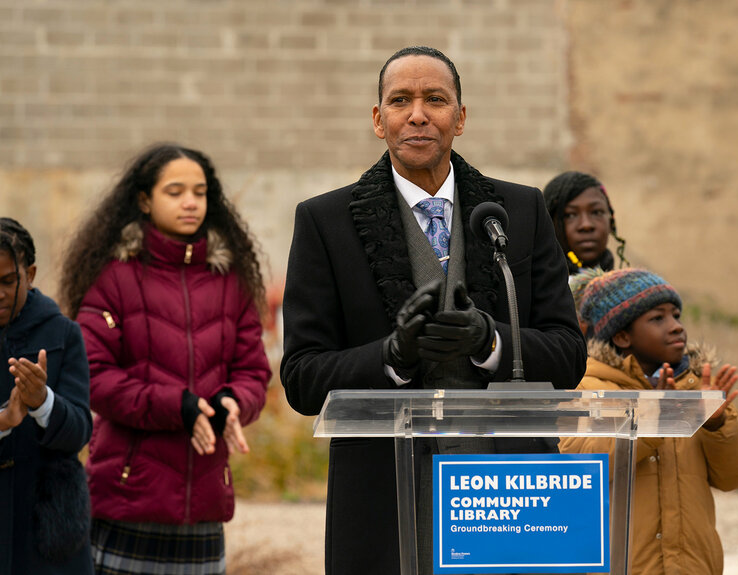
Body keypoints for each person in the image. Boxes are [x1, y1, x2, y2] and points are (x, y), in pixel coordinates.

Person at [281, 46, 585, 575]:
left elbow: (567, 355)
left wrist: (491, 343)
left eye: (435, 99)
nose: (417, 114)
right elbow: (302, 378)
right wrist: (392, 356)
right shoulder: (324, 223)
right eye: (400, 100)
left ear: (460, 118)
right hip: (386, 502)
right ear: (379, 120)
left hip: (510, 496)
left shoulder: (518, 211)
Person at [59, 144, 271, 575]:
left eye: (200, 191)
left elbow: (253, 371)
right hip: (127, 498)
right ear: (144, 200)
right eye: (174, 192)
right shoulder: (113, 277)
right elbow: (93, 377)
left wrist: (233, 402)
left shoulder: (231, 279)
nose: (190, 202)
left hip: (206, 499)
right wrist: (180, 406)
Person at [558, 268, 738, 575]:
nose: (676, 327)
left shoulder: (693, 390)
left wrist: (717, 423)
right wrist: (651, 418)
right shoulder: (585, 389)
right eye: (658, 318)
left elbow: (737, 476)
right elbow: (583, 468)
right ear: (622, 335)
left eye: (677, 315)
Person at [0, 218, 94, 575]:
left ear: (31, 273)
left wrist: (43, 402)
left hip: (46, 533)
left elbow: (80, 431)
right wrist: (4, 421)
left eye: (8, 281)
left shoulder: (63, 333)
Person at [542, 171, 627, 274]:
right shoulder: (535, 287)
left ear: (610, 220)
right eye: (570, 215)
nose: (586, 225)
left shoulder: (635, 287)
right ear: (549, 223)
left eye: (596, 212)